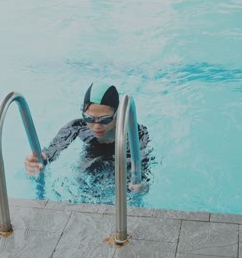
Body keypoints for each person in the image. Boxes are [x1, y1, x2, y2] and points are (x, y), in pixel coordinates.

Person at [24, 82, 153, 195]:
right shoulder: (77, 127)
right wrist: (41, 158)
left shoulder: (136, 132)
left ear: (118, 115)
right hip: (93, 159)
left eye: (105, 119)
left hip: (123, 160)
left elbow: (142, 162)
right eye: (89, 118)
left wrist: (141, 183)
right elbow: (54, 148)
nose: (96, 126)